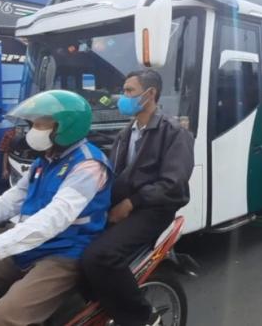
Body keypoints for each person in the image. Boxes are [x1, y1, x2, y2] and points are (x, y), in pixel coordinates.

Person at [0, 90, 113, 326]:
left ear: (66, 127)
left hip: (64, 253)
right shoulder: (44, 162)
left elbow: (54, 217)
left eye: (40, 124)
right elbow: (4, 204)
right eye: (32, 124)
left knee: (4, 319)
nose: (33, 130)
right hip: (28, 247)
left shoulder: (88, 165)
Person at [81, 69, 195, 326]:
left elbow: (173, 183)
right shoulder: (125, 134)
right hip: (122, 206)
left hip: (153, 210)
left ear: (150, 94)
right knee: (75, 249)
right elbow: (112, 176)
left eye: (129, 91)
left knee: (100, 256)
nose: (123, 97)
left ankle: (144, 318)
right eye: (123, 91)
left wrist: (132, 203)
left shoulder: (174, 132)